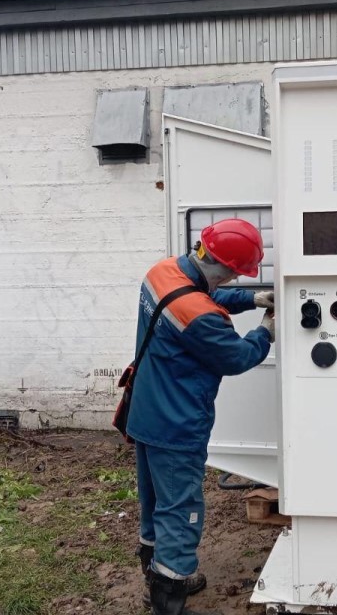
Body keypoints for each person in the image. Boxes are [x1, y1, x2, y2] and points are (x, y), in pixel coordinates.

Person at [127, 217, 275, 615]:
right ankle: (170, 597)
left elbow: (199, 294)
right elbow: (236, 356)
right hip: (177, 423)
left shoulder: (162, 273)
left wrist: (252, 299)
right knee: (181, 511)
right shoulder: (200, 317)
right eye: (232, 274)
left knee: (155, 502)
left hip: (145, 412)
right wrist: (266, 329)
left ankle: (158, 573)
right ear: (222, 266)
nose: (230, 280)